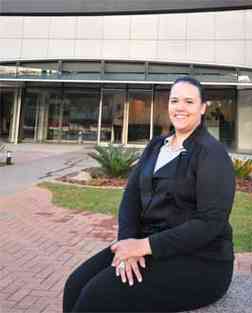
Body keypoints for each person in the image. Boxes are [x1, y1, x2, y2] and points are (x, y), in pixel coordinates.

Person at [63, 76, 236, 313]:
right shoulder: (157, 145)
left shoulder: (211, 155)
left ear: (203, 107)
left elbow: (210, 223)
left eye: (189, 101)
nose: (180, 107)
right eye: (175, 101)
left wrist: (143, 246)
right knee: (75, 284)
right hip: (146, 243)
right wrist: (127, 242)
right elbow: (131, 197)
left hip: (201, 260)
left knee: (97, 296)